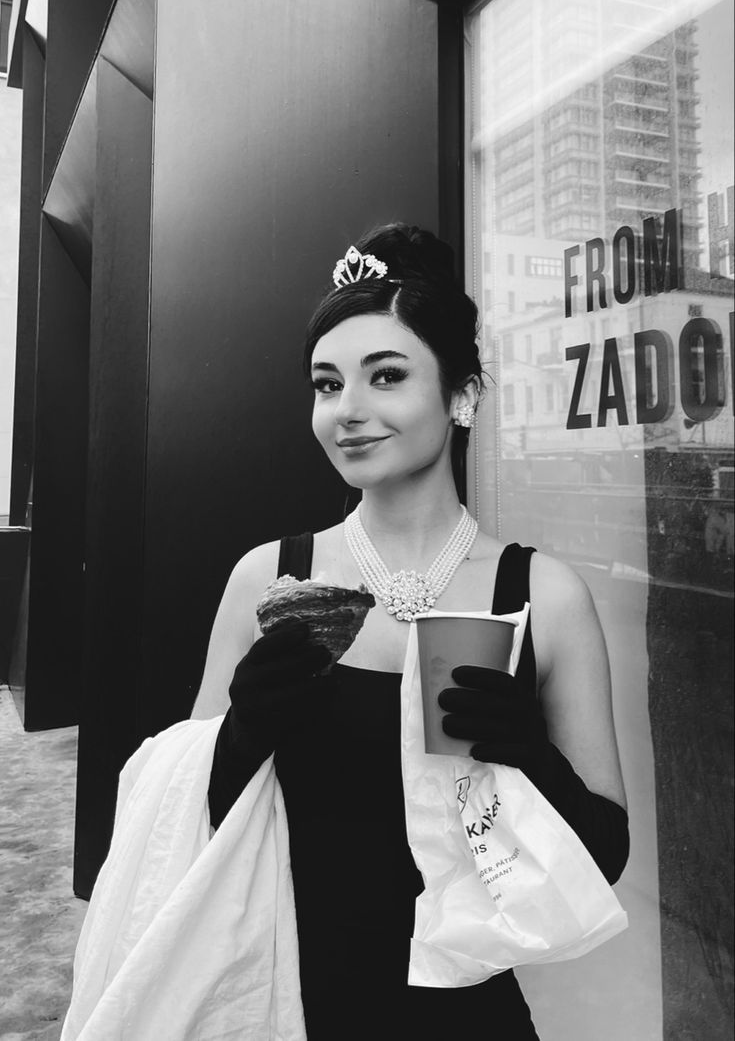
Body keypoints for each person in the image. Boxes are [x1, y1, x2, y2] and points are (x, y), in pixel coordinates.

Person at [193, 223, 629, 1039]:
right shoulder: (267, 578)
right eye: (327, 385)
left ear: (463, 395)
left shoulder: (542, 593)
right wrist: (242, 731)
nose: (347, 411)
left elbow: (605, 854)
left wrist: (529, 757)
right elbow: (186, 830)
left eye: (385, 375)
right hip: (286, 1005)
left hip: (468, 1016)